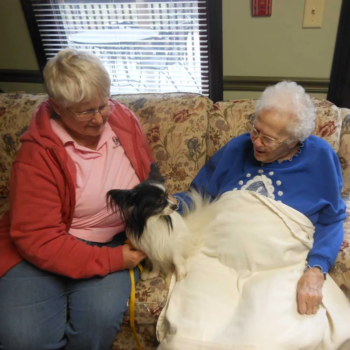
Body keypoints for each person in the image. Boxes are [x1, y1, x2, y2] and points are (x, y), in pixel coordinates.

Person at [0, 49, 151, 350]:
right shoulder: (37, 154)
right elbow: (39, 239)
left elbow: (147, 176)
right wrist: (114, 260)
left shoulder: (123, 120)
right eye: (84, 111)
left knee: (97, 324)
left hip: (112, 238)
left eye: (103, 105)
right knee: (23, 339)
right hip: (46, 248)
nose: (98, 119)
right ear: (57, 106)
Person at [173, 81, 346, 316]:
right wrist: (170, 204)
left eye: (269, 139)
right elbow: (199, 196)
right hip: (216, 261)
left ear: (293, 140)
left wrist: (316, 269)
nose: (256, 142)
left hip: (281, 268)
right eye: (256, 130)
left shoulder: (321, 158)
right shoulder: (236, 148)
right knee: (198, 324)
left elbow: (332, 219)